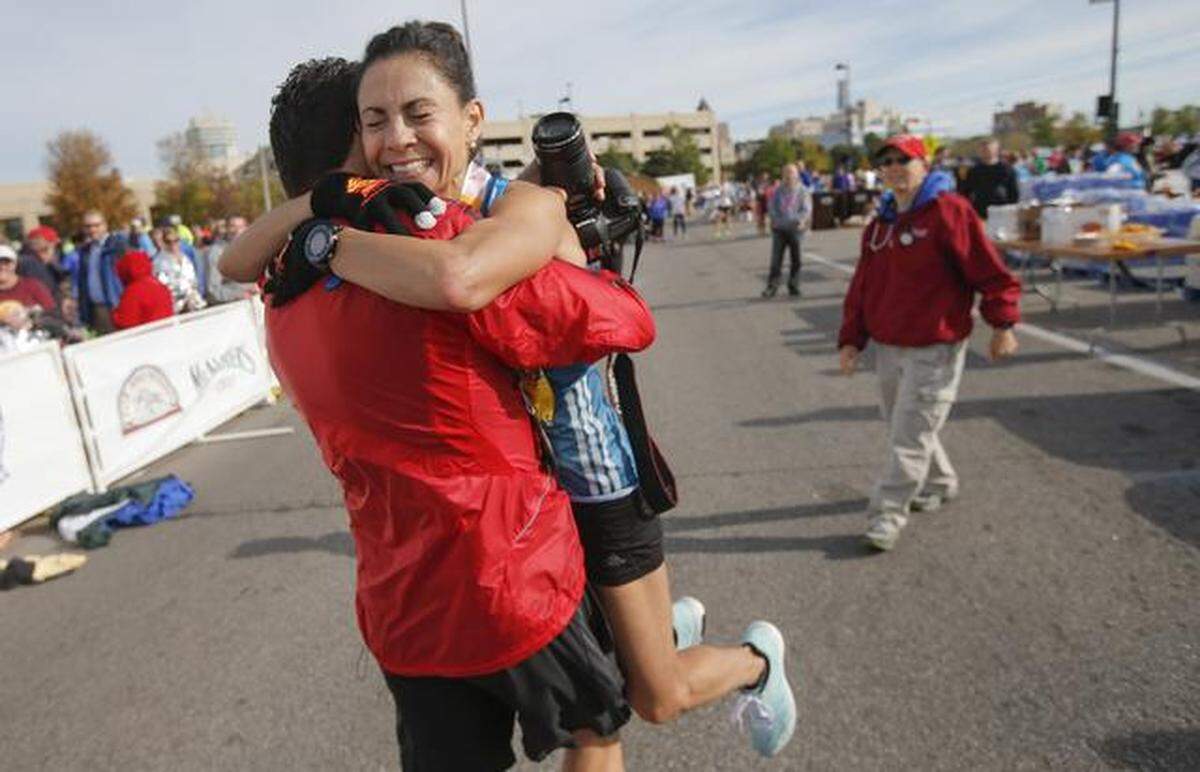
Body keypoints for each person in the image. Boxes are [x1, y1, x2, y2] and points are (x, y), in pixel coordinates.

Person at [223, 23, 796, 764]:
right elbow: (250, 258)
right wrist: (326, 226)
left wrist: (327, 239)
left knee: (657, 697)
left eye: (417, 115)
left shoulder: (473, 221)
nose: (396, 141)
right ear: (354, 153)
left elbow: (584, 307)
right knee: (609, 713)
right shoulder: (376, 242)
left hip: (589, 483)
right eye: (376, 123)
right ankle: (648, 637)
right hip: (515, 539)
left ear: (471, 120)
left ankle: (757, 660)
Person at [838, 135, 1021, 552]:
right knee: (905, 426)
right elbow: (863, 286)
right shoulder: (880, 224)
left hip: (934, 349)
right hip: (889, 345)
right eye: (885, 161)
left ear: (923, 163)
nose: (893, 167)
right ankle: (939, 480)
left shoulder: (949, 211)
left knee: (908, 436)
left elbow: (990, 272)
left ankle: (886, 514)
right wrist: (852, 340)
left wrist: (1003, 322)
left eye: (903, 159)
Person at [69, 211, 125, 332]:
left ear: (105, 225)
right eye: (88, 226)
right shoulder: (85, 251)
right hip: (95, 309)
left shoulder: (117, 246)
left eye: (96, 225)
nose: (92, 229)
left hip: (116, 305)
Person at [762, 163, 811, 298]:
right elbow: (772, 207)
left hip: (796, 229)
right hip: (780, 229)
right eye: (786, 173)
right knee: (776, 260)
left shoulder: (803, 191)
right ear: (783, 175)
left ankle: (793, 285)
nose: (789, 175)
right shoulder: (778, 191)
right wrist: (775, 219)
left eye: (792, 172)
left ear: (796, 175)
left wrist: (801, 220)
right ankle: (772, 287)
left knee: (796, 259)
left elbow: (806, 209)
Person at [111, 250, 174, 330]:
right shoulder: (160, 285)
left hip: (146, 337)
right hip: (166, 333)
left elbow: (125, 323)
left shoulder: (132, 293)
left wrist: (114, 315)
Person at [961, 139, 1019, 219]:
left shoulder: (1007, 169)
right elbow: (966, 192)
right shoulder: (974, 170)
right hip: (979, 212)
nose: (985, 152)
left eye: (988, 149)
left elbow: (1014, 192)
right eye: (983, 150)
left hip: (1002, 211)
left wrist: (1012, 211)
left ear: (996, 151)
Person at [205, 215, 255, 304]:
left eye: (241, 227)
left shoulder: (254, 247)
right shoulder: (217, 252)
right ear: (227, 229)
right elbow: (213, 290)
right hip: (235, 307)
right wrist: (238, 295)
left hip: (258, 302)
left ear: (247, 228)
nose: (237, 230)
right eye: (233, 226)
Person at [154, 227, 205, 313]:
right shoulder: (159, 263)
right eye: (168, 241)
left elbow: (194, 281)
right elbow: (163, 288)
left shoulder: (186, 258)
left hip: (195, 304)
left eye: (176, 240)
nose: (173, 244)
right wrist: (184, 301)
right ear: (163, 242)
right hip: (176, 308)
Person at [0, 244, 56, 312]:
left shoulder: (32, 286)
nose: (2, 267)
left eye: (6, 263)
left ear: (15, 264)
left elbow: (52, 312)